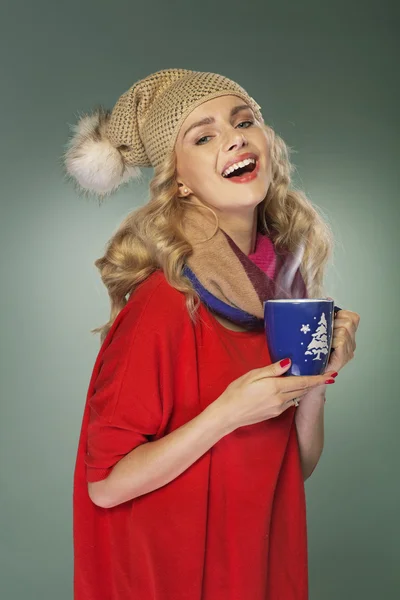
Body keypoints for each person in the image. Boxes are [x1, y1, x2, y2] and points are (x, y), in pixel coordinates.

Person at [64, 68, 360, 600]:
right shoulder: (163, 301)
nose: (235, 137)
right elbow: (105, 485)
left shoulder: (282, 293)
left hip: (253, 566)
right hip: (174, 576)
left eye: (244, 121)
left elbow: (292, 469)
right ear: (179, 180)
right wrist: (227, 413)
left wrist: (318, 382)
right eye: (204, 136)